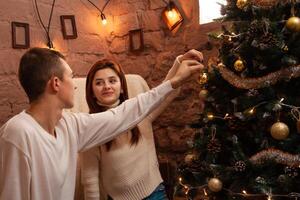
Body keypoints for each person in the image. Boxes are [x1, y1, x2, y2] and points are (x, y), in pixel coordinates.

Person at [0, 47, 204, 200]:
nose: (75, 85)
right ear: (56, 83)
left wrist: (174, 79)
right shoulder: (18, 133)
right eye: (71, 76)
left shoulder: (70, 126)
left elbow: (124, 114)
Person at [80, 50, 203, 200]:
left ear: (122, 87)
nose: (107, 86)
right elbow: (90, 178)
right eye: (99, 83)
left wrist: (180, 61)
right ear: (91, 91)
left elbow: (165, 92)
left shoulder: (140, 111)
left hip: (155, 193)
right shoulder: (92, 126)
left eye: (112, 81)